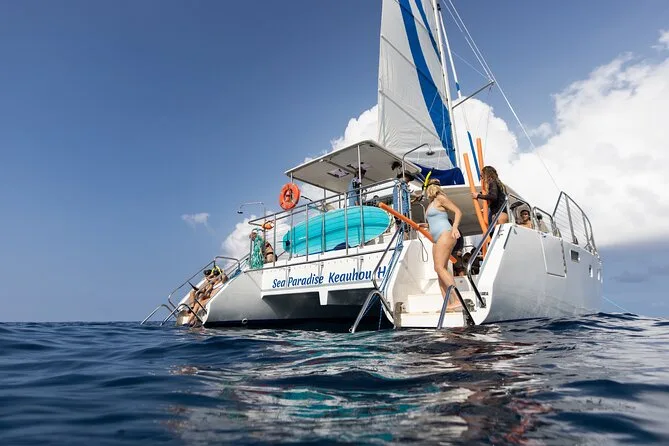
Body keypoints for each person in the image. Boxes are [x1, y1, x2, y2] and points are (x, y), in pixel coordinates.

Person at [425, 183, 463, 312]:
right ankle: (447, 304)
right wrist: (424, 225)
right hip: (436, 238)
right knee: (439, 270)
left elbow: (458, 211)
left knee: (439, 268)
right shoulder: (431, 203)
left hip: (445, 233)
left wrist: (455, 227)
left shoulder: (440, 198)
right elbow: (434, 220)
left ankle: (457, 299)